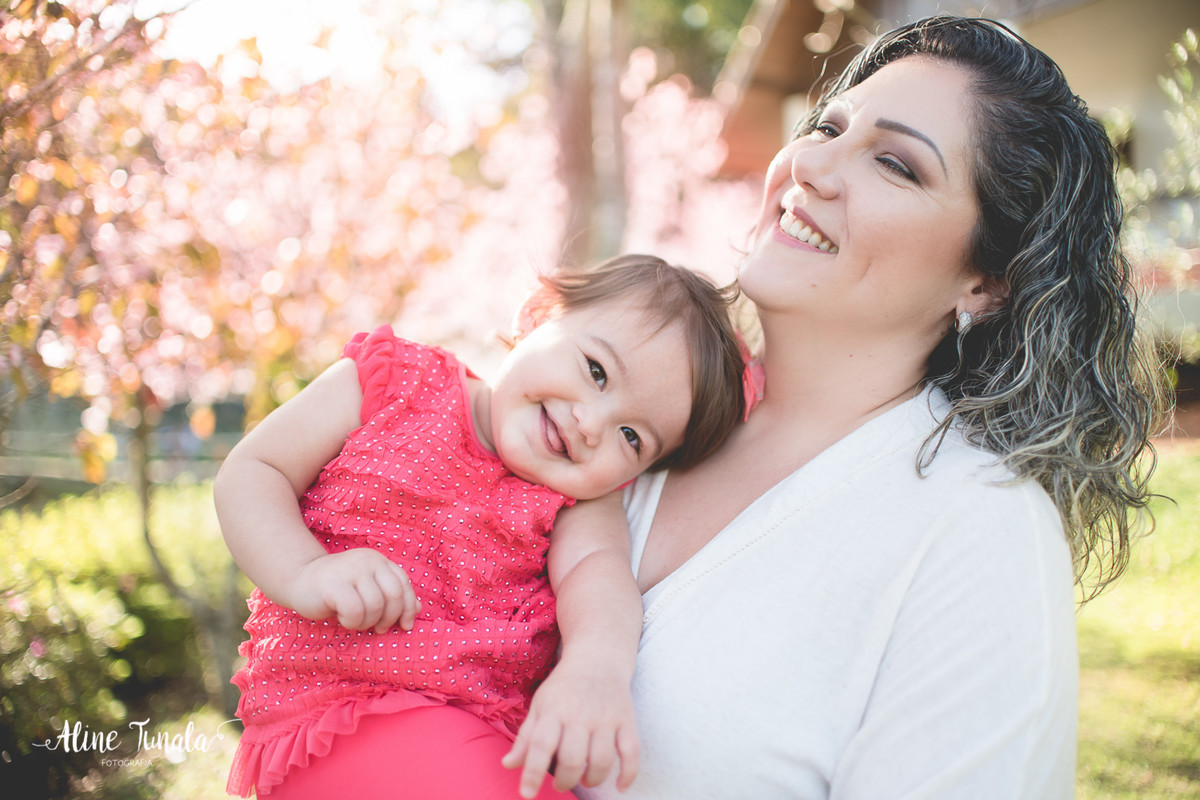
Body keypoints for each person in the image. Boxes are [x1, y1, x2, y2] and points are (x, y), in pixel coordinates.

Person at [569, 15, 1169, 799]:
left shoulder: (978, 532)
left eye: (895, 163)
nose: (812, 164)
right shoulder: (626, 400)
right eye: (828, 125)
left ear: (987, 282)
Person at [215, 254, 748, 799]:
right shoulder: (395, 380)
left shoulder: (577, 502)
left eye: (632, 436)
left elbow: (600, 579)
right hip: (334, 709)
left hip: (477, 730)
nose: (591, 423)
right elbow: (255, 471)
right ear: (538, 316)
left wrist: (595, 669)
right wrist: (306, 570)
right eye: (596, 371)